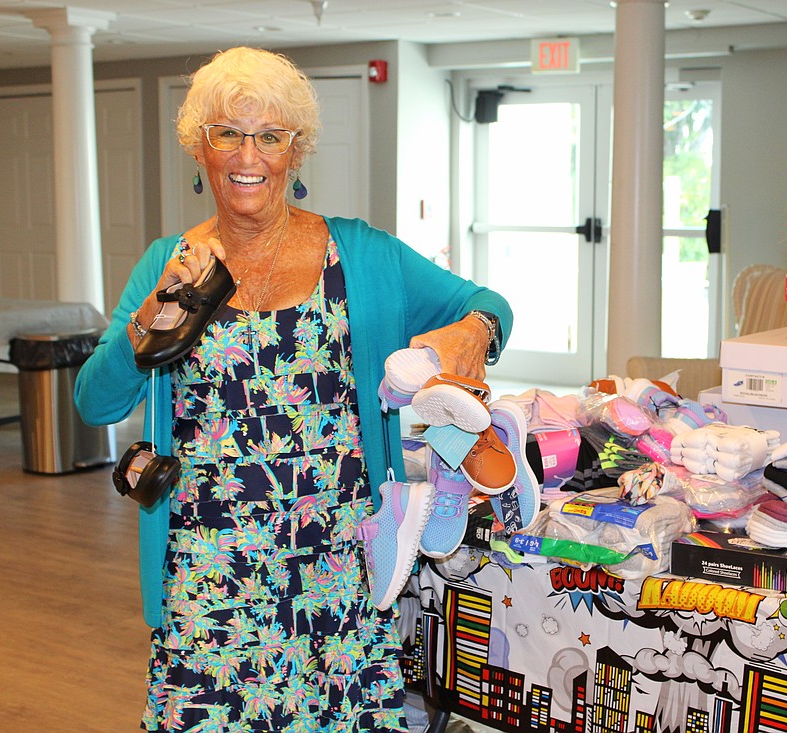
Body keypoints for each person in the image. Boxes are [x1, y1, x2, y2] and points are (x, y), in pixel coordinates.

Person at [74, 46, 512, 732]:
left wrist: (475, 330)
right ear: (200, 147)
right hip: (209, 581)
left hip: (336, 572)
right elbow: (94, 404)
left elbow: (488, 302)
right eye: (228, 133)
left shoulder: (362, 255)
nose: (248, 154)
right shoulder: (169, 264)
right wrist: (143, 326)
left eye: (269, 135)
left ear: (295, 150)